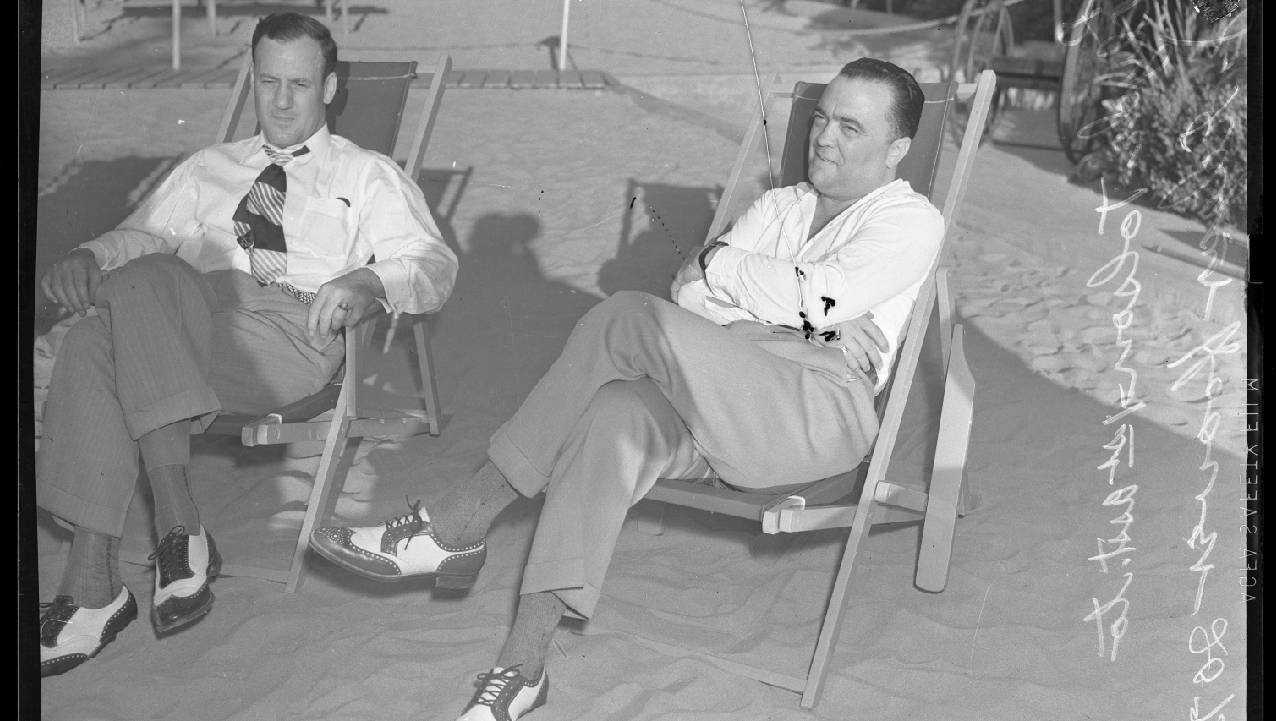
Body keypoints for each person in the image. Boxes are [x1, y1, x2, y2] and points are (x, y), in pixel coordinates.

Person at [309, 57, 942, 720]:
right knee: (612, 415)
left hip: (813, 414)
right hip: (722, 385)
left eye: (850, 127)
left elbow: (812, 291)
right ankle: (521, 667)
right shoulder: (780, 206)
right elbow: (689, 292)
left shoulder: (909, 221)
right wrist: (804, 317)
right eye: (820, 119)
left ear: (897, 148)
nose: (824, 138)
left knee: (625, 317)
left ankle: (459, 522)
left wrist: (730, 267)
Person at [36, 13, 457, 677]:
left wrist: (368, 277)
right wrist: (91, 252)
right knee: (120, 305)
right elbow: (142, 236)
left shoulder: (367, 175)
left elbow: (431, 265)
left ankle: (103, 579)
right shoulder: (209, 165)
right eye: (268, 83)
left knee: (104, 331)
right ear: (252, 82)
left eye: (299, 84)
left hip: (285, 332)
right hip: (180, 318)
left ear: (329, 87)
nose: (282, 100)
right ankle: (165, 543)